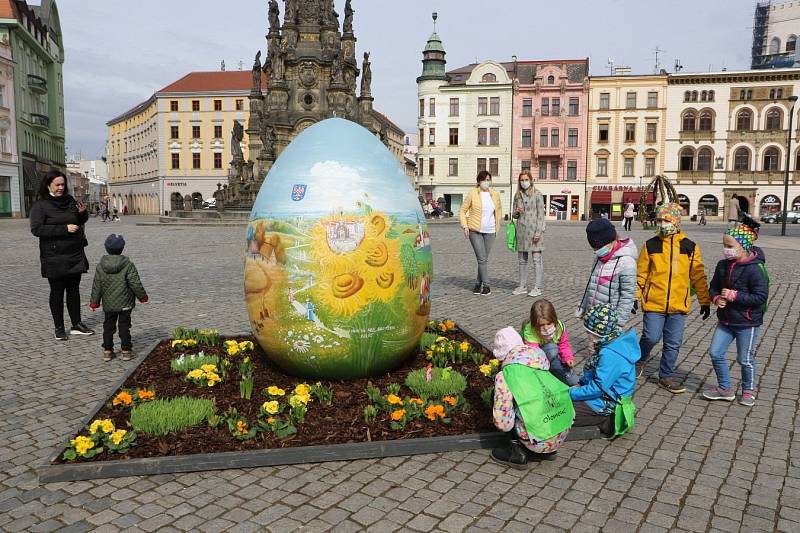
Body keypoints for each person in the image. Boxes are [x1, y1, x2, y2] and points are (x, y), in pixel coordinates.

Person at [636, 202, 711, 393]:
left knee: (673, 343)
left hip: (678, 305)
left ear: (676, 221)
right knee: (651, 336)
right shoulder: (651, 245)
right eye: (659, 219)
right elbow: (641, 274)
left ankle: (666, 375)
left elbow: (698, 275)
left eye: (666, 220)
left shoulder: (689, 246)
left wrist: (704, 300)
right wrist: (635, 297)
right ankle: (640, 359)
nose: (661, 223)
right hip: (654, 303)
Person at [703, 217, 768, 407]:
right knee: (715, 352)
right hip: (726, 321)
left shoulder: (755, 269)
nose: (726, 249)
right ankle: (725, 388)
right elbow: (713, 287)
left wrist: (734, 296)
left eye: (729, 245)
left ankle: (748, 390)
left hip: (747, 323)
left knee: (744, 359)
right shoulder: (722, 265)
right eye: (724, 245)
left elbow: (760, 297)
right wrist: (716, 298)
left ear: (744, 245)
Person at [489, 327, 572, 468]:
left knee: (501, 401)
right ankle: (547, 452)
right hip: (562, 429)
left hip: (538, 439)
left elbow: (503, 423)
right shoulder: (539, 358)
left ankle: (516, 453)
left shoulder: (506, 375)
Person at [29, 170, 95, 340]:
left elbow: (80, 221)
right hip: (54, 256)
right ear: (48, 185)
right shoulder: (40, 205)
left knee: (74, 291)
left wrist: (82, 213)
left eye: (62, 184)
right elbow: (37, 229)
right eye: (57, 184)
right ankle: (59, 327)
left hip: (74, 253)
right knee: (57, 292)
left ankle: (76, 324)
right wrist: (63, 229)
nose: (60, 187)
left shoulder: (70, 200)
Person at [570, 303, 640, 437]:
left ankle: (607, 421)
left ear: (596, 333)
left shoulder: (610, 354)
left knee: (561, 411)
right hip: (605, 395)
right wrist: (580, 384)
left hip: (607, 402)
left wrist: (571, 393)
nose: (587, 335)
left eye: (588, 332)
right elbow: (596, 377)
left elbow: (597, 388)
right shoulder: (612, 342)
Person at [89, 234, 148, 361]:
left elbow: (97, 285)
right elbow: (135, 282)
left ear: (106, 248)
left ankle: (107, 350)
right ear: (122, 248)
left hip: (109, 303)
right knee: (124, 326)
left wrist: (94, 303)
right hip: (125, 302)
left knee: (108, 326)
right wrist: (142, 297)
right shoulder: (128, 264)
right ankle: (126, 350)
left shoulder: (101, 266)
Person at [576, 218, 638, 326]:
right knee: (593, 343)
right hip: (594, 315)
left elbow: (627, 296)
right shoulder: (599, 258)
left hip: (611, 320)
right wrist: (583, 306)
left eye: (600, 247)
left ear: (612, 240)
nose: (597, 251)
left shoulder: (626, 262)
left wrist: (618, 323)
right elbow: (591, 285)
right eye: (594, 248)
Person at [459, 170, 502, 295]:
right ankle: (486, 285)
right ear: (478, 181)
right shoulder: (472, 194)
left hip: (490, 231)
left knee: (483, 259)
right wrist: (465, 226)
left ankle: (478, 284)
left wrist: (497, 226)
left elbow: (498, 212)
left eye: (488, 180)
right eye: (483, 180)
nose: (486, 182)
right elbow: (462, 210)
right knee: (482, 259)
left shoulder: (494, 194)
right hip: (475, 231)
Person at [521, 299, 578, 385]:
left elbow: (564, 344)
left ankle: (566, 377)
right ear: (535, 324)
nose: (546, 328)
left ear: (554, 320)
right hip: (538, 359)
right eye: (541, 325)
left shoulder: (559, 327)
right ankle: (562, 377)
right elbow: (534, 354)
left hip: (552, 356)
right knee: (551, 349)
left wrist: (568, 357)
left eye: (548, 323)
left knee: (561, 363)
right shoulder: (530, 332)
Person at [511, 171, 546, 297]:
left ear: (531, 180)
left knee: (537, 260)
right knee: (522, 261)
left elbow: (541, 215)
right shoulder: (517, 196)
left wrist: (538, 232)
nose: (524, 182)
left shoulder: (538, 195)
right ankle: (522, 286)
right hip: (521, 231)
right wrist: (516, 211)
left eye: (526, 179)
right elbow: (514, 215)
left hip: (534, 232)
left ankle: (538, 287)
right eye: (522, 180)